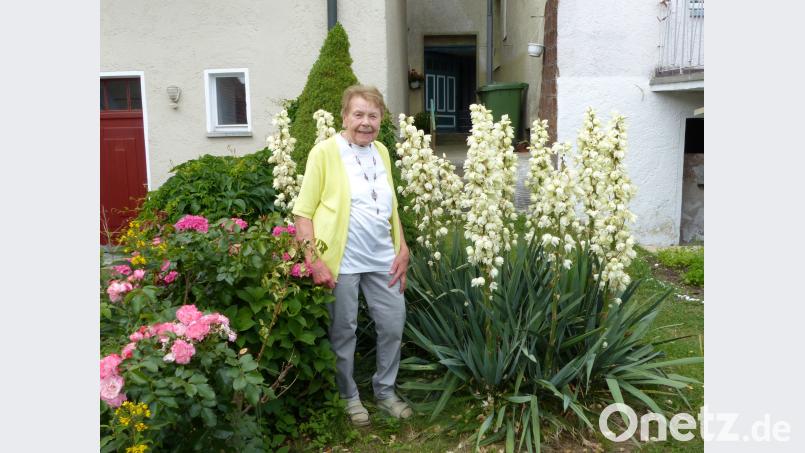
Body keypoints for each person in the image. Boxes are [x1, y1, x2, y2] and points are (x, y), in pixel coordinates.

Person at [292, 85, 412, 426]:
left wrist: (402, 246)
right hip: (340, 260)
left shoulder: (383, 152)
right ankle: (348, 395)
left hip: (383, 258)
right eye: (358, 114)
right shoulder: (324, 152)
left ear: (381, 120)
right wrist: (313, 260)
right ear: (344, 116)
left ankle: (385, 391)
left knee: (392, 324)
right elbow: (303, 212)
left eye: (373, 116)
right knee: (343, 330)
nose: (365, 122)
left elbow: (391, 206)